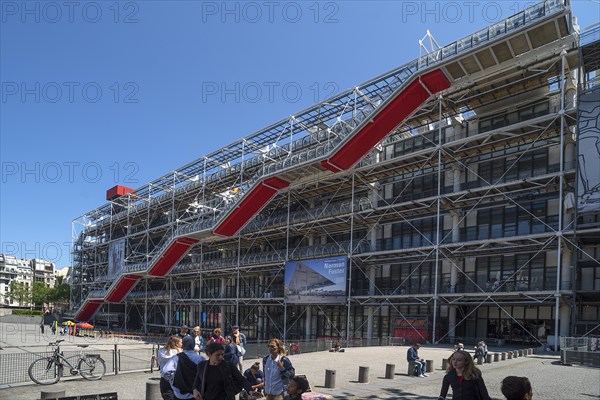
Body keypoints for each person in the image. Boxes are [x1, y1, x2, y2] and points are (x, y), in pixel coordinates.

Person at [192, 342, 259, 400]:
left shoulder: (228, 366)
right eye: (217, 355)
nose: (221, 357)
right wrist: (195, 390)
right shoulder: (202, 366)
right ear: (209, 354)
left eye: (222, 354)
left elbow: (241, 379)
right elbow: (197, 380)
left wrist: (250, 390)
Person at [162, 335, 204, 400]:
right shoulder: (200, 359)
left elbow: (165, 371)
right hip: (195, 393)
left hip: (179, 393)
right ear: (193, 345)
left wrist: (173, 381)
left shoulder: (176, 358)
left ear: (183, 345)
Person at [158, 336, 183, 400]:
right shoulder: (179, 353)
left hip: (164, 378)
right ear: (177, 344)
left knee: (167, 397)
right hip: (177, 379)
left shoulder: (161, 351)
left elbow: (159, 362)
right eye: (181, 342)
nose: (182, 344)